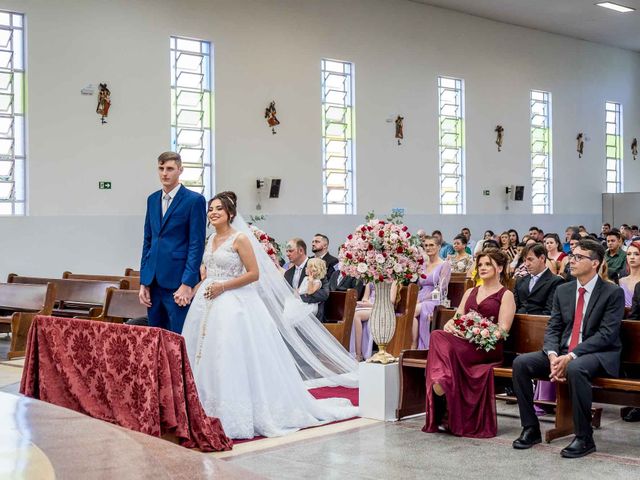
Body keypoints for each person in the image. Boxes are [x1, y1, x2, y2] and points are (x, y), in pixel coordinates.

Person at [182, 191, 358, 439]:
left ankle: (235, 411)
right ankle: (203, 407)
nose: (212, 212)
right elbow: (208, 271)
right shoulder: (210, 238)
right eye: (211, 208)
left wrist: (223, 286)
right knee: (204, 352)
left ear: (230, 213)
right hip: (207, 302)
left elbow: (254, 274)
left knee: (229, 353)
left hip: (233, 303)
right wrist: (199, 288)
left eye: (218, 208)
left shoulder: (240, 238)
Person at [512, 239, 624, 458]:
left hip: (598, 354)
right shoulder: (564, 290)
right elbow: (553, 327)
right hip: (563, 351)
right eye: (572, 256)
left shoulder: (612, 293)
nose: (572, 261)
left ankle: (584, 437)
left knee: (575, 368)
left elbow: (606, 335)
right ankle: (531, 428)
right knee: (521, 364)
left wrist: (571, 355)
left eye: (579, 257)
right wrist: (553, 354)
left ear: (595, 263)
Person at [422, 250, 515, 438]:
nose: (483, 268)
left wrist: (479, 333)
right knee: (438, 334)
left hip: (487, 348)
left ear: (499, 268)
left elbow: (503, 330)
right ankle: (442, 380)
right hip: (465, 345)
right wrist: (451, 324)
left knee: (439, 338)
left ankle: (442, 382)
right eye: (480, 265)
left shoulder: (506, 295)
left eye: (488, 264)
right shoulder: (470, 291)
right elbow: (457, 318)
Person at [139, 151, 206, 333]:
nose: (164, 173)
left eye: (170, 169)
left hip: (178, 283)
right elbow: (148, 241)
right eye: (161, 168)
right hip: (153, 282)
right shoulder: (152, 200)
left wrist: (187, 283)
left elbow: (196, 244)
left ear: (180, 170)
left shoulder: (194, 200)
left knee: (178, 336)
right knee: (155, 338)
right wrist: (144, 281)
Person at [412, 236, 451, 349]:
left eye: (431, 245)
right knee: (405, 310)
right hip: (420, 297)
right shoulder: (422, 265)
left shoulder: (445, 265)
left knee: (412, 311)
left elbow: (441, 289)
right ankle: (410, 344)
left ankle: (417, 346)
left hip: (435, 300)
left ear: (439, 247)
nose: (428, 248)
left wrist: (422, 300)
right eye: (426, 245)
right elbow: (418, 286)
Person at [350, 282, 398, 361]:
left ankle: (359, 354)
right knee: (352, 312)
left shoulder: (393, 280)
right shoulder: (371, 279)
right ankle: (353, 351)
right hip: (370, 306)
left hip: (384, 306)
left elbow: (391, 300)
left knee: (356, 315)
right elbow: (365, 298)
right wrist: (364, 302)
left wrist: (371, 304)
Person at [284, 238, 330, 321]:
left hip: (311, 313)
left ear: (301, 250)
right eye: (287, 251)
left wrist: (301, 297)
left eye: (290, 251)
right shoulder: (288, 273)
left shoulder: (315, 267)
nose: (287, 254)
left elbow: (324, 294)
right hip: (292, 309)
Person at [514, 243, 563, 316]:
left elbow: (549, 311)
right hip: (518, 322)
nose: (526, 264)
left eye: (530, 259)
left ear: (542, 258)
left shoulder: (556, 281)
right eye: (525, 260)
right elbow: (514, 307)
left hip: (540, 324)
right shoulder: (520, 281)